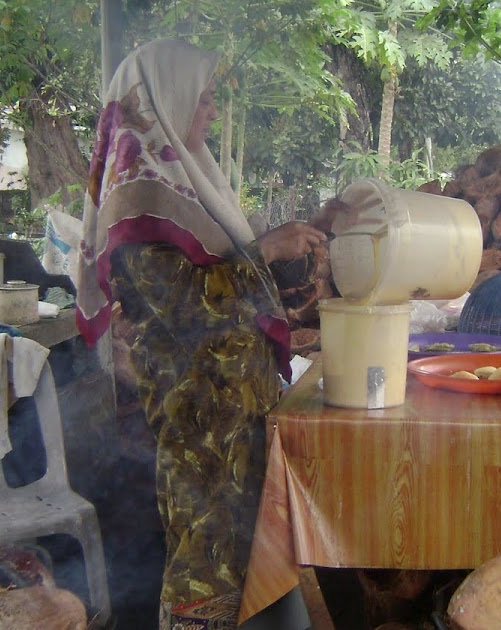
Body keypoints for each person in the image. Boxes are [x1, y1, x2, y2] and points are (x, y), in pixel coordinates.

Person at [73, 38, 346, 629]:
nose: (211, 112)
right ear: (165, 102)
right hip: (199, 423)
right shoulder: (136, 205)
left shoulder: (191, 189)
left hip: (238, 415)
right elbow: (186, 306)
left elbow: (233, 281)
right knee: (207, 555)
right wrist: (266, 250)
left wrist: (293, 242)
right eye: (204, 99)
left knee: (257, 552)